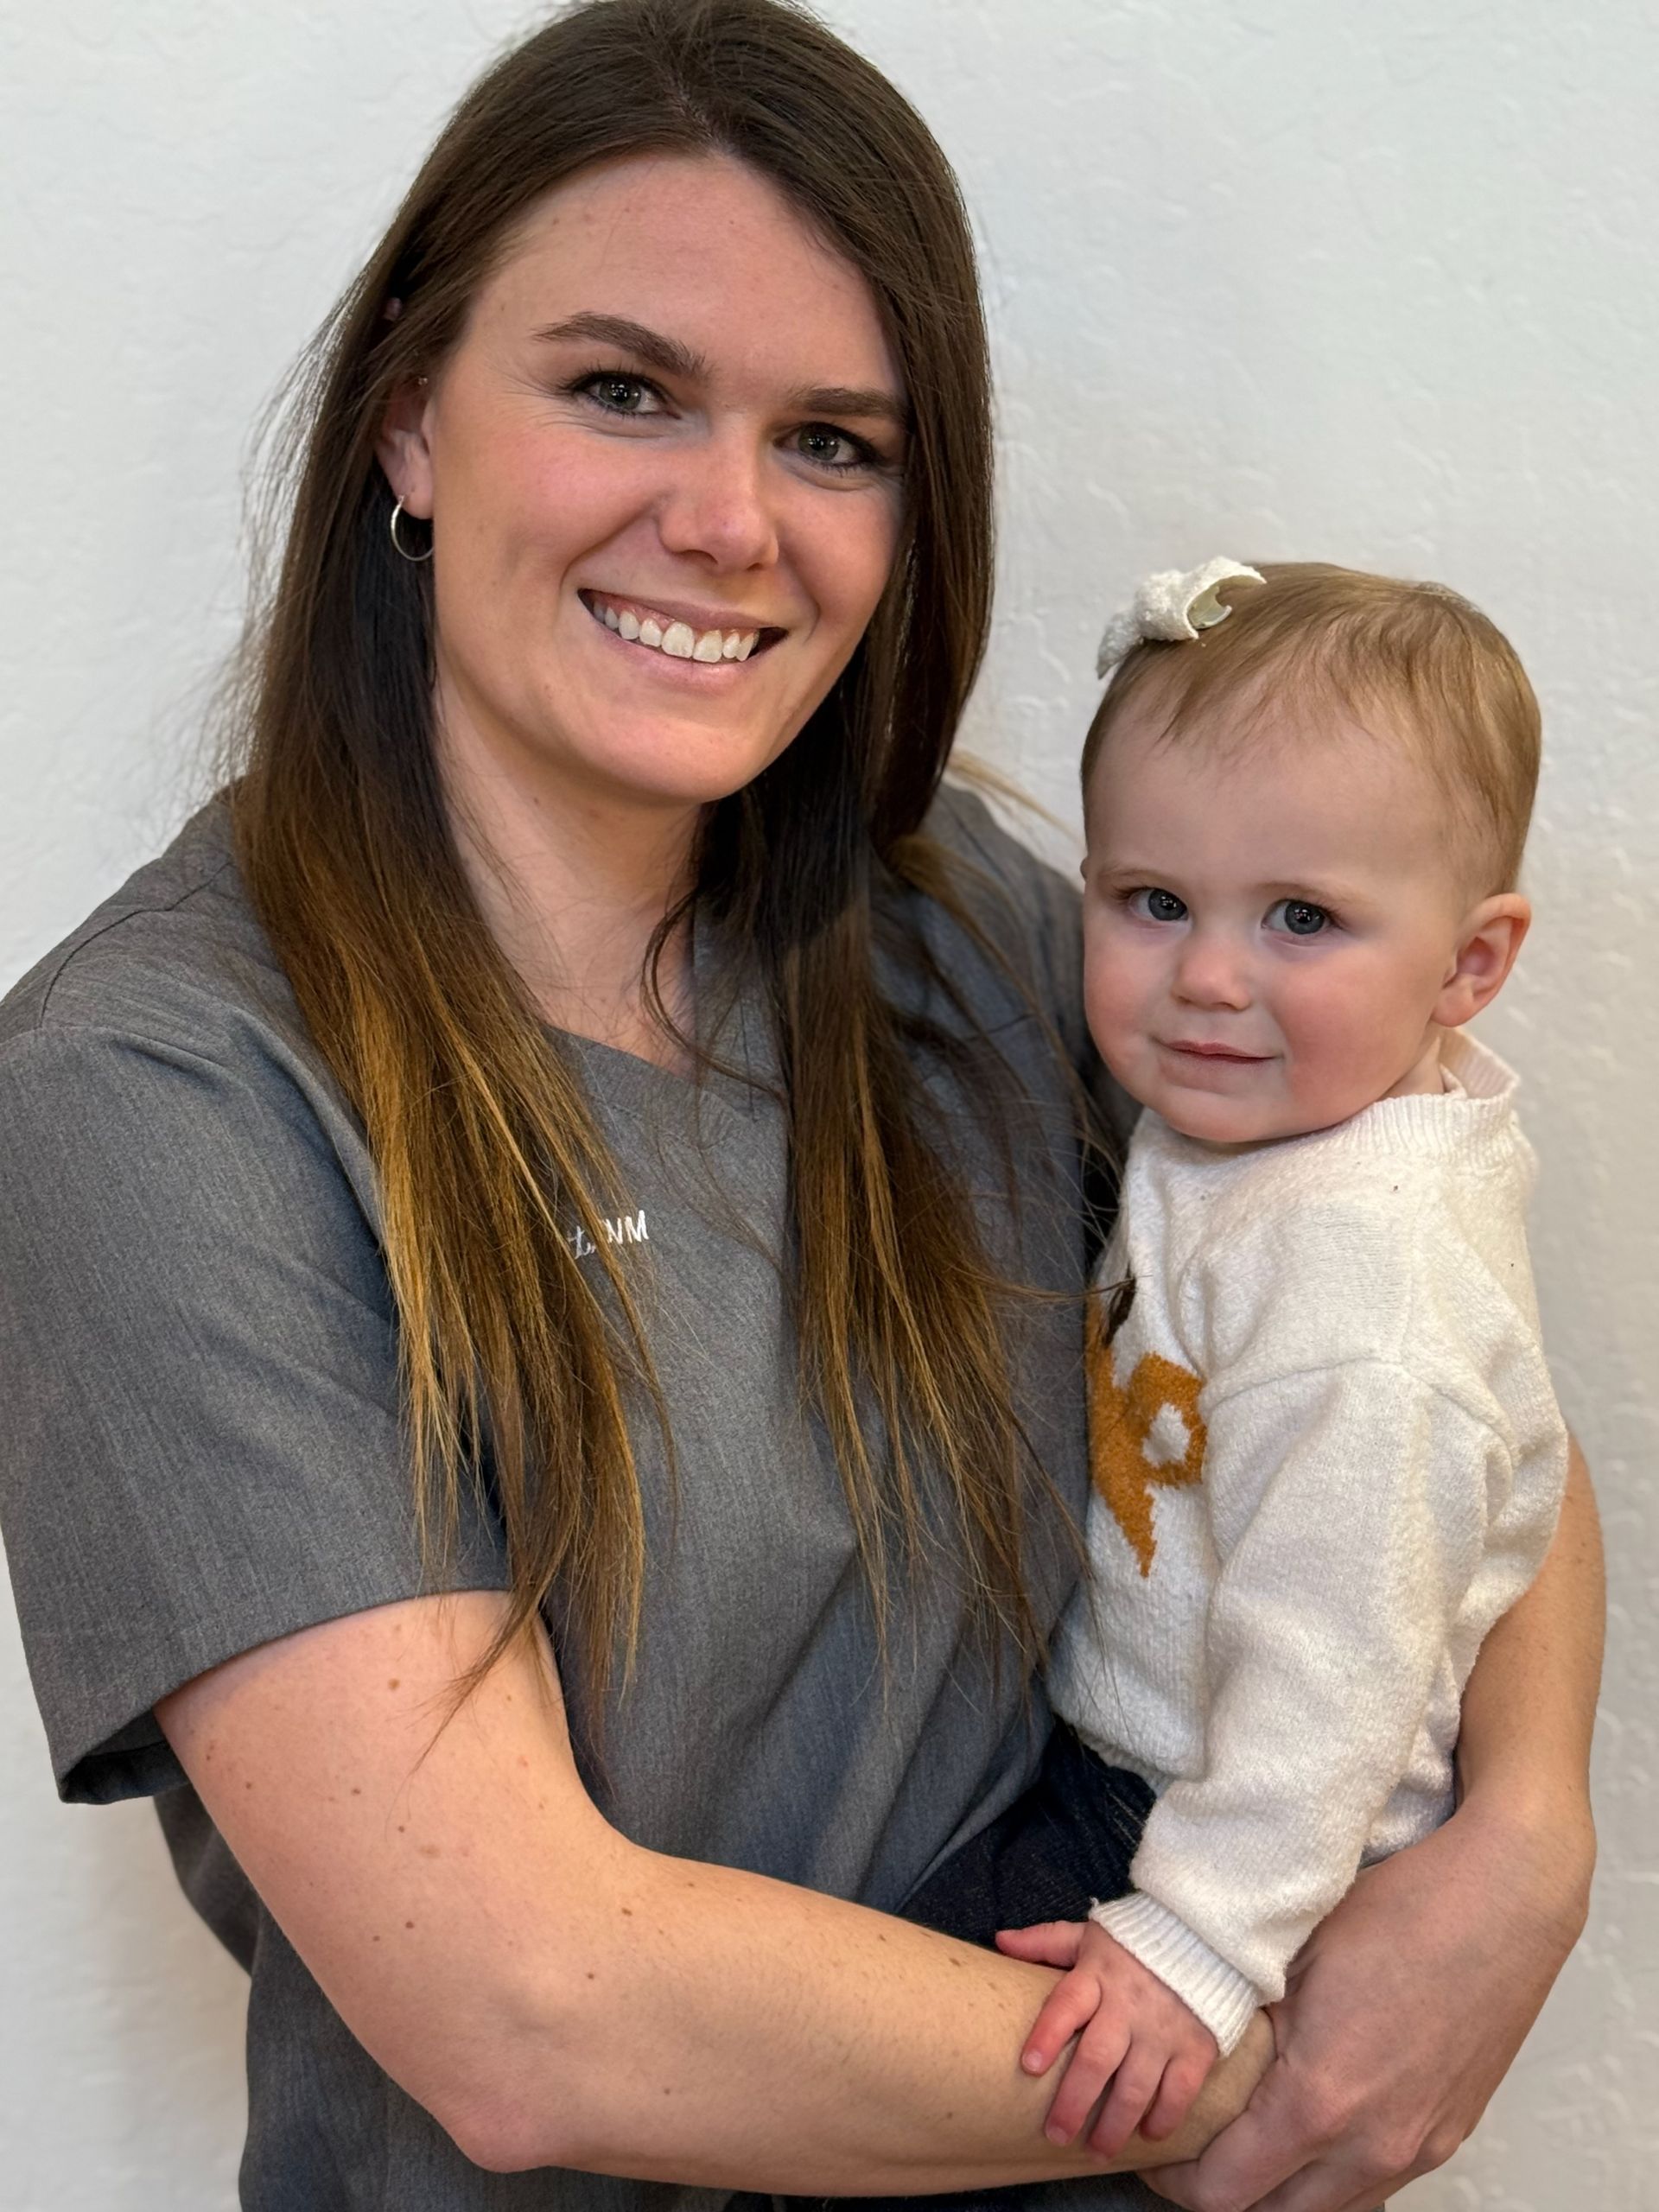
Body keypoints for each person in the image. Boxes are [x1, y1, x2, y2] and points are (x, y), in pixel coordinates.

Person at [0, 7, 1600, 2211]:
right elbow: (531, 2007)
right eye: (622, 388)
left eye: (837, 439)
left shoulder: (970, 927)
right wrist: (1254, 2046)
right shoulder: (162, 1089)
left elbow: (1413, 1327)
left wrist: (1525, 1833)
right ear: (409, 428)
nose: (730, 520)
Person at [912, 557, 1568, 2167]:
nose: (1209, 977)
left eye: (1301, 919)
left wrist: (1195, 1940)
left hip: (1215, 1835)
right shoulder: (1284, 1124)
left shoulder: (1363, 1277)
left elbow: (1340, 1653)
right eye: (1153, 903)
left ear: (1471, 965)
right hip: (1155, 1781)